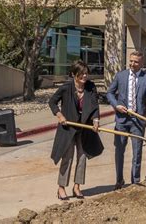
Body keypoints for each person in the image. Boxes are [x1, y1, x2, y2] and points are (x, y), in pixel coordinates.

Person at [107, 51, 146, 190]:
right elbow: (110, 93)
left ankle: (135, 182)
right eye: (131, 61)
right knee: (119, 151)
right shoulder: (120, 76)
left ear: (142, 63)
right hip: (122, 121)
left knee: (137, 153)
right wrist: (116, 105)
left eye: (136, 62)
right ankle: (119, 181)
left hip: (138, 121)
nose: (132, 64)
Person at [49, 60, 103, 200]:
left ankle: (77, 186)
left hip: (84, 127)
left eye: (86, 74)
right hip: (68, 128)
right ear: (74, 74)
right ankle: (61, 188)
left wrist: (96, 120)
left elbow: (95, 106)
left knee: (82, 157)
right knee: (67, 157)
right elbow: (52, 102)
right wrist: (59, 115)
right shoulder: (66, 87)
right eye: (81, 74)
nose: (85, 77)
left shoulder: (90, 87)